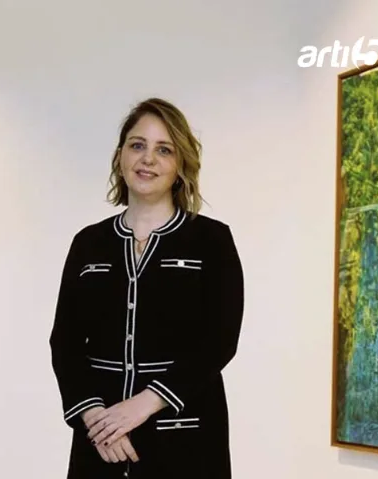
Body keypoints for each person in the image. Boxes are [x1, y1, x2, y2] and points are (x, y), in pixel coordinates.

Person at [48, 97, 245, 478]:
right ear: (120, 156)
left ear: (181, 164)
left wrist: (141, 406)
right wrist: (97, 420)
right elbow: (66, 343)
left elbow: (219, 342)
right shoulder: (88, 244)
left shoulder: (212, 241)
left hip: (185, 439)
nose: (148, 159)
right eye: (137, 145)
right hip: (101, 441)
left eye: (164, 150)